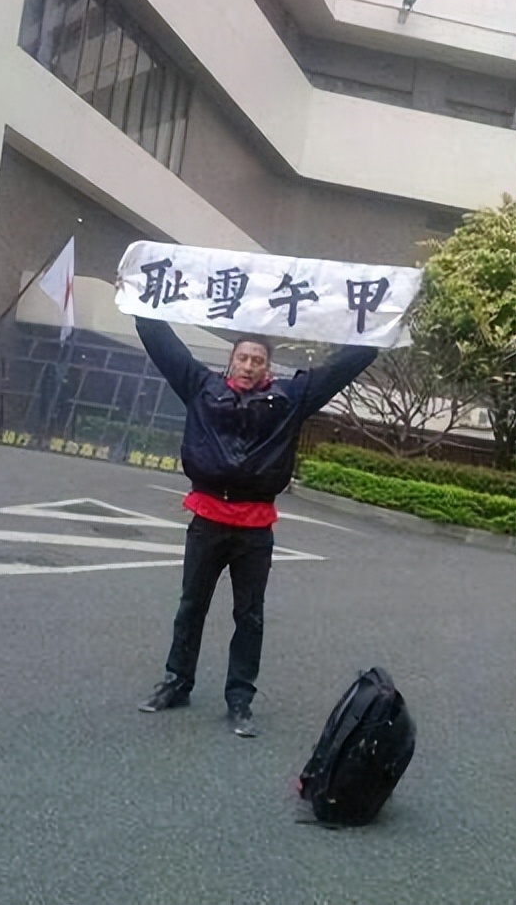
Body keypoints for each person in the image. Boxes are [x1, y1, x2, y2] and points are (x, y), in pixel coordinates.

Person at [135, 316, 377, 737]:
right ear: (230, 363)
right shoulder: (200, 388)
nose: (248, 365)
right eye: (242, 357)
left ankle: (240, 699)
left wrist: (376, 337)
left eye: (257, 360)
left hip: (254, 529)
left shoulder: (290, 399)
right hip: (207, 522)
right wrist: (141, 305)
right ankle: (177, 682)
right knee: (191, 606)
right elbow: (164, 345)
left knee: (249, 616)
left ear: (268, 368)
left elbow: (339, 370)